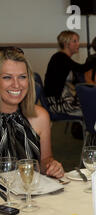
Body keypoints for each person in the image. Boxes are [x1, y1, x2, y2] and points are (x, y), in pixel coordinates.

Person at [0, 47, 64, 178]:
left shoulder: (40, 116)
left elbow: (45, 161)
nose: (17, 85)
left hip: (29, 194)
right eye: (7, 77)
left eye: (22, 77)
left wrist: (52, 166)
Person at [44, 30, 96, 116]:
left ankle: (81, 128)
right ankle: (85, 128)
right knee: (94, 107)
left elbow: (80, 70)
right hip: (58, 102)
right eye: (75, 41)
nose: (78, 44)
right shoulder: (60, 58)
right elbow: (82, 69)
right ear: (66, 43)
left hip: (61, 99)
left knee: (93, 102)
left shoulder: (61, 57)